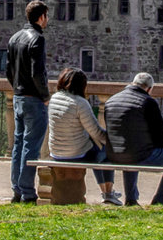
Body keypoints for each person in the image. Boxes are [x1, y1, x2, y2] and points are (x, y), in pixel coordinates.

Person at [102, 72, 163, 206]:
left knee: (129, 153)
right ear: (149, 89)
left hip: (113, 154)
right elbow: (160, 133)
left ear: (132, 83)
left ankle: (131, 199)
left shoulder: (111, 101)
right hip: (138, 154)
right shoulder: (147, 102)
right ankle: (160, 199)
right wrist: (161, 148)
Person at [47, 68, 124, 205]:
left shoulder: (54, 98)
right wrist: (114, 142)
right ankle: (107, 192)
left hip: (56, 152)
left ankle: (107, 192)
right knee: (103, 153)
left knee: (93, 148)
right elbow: (96, 132)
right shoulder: (80, 103)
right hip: (75, 153)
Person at [5, 0, 51, 203]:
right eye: (47, 16)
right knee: (31, 146)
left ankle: (17, 189)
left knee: (18, 145)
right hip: (33, 99)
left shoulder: (14, 38)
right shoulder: (37, 39)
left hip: (18, 97)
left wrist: (17, 88)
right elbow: (37, 72)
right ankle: (27, 191)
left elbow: (8, 71)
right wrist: (45, 95)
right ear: (41, 17)